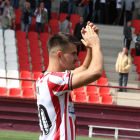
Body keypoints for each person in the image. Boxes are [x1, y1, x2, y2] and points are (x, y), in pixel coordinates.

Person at [36, 21, 103, 140]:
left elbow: (84, 68)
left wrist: (90, 47)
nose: (77, 58)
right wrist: (96, 44)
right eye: (73, 54)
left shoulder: (46, 78)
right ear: (59, 55)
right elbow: (96, 72)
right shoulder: (54, 80)